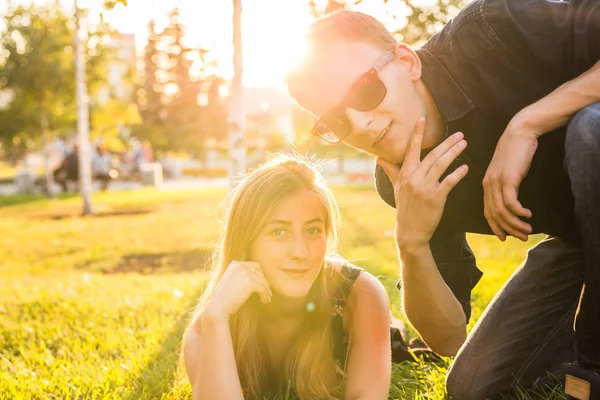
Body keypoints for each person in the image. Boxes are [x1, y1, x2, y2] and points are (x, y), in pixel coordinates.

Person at [285, 2, 600, 399]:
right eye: (335, 120)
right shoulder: (403, 183)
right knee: (471, 385)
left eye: (364, 89)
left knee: (592, 131)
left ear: (406, 61)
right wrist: (411, 242)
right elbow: (447, 338)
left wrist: (528, 123)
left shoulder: (494, 28)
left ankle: (593, 367)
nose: (360, 123)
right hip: (581, 242)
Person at [182, 155, 392, 400]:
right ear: (246, 241)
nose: (301, 253)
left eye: (313, 230)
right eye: (279, 232)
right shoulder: (209, 326)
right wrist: (217, 317)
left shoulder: (360, 294)